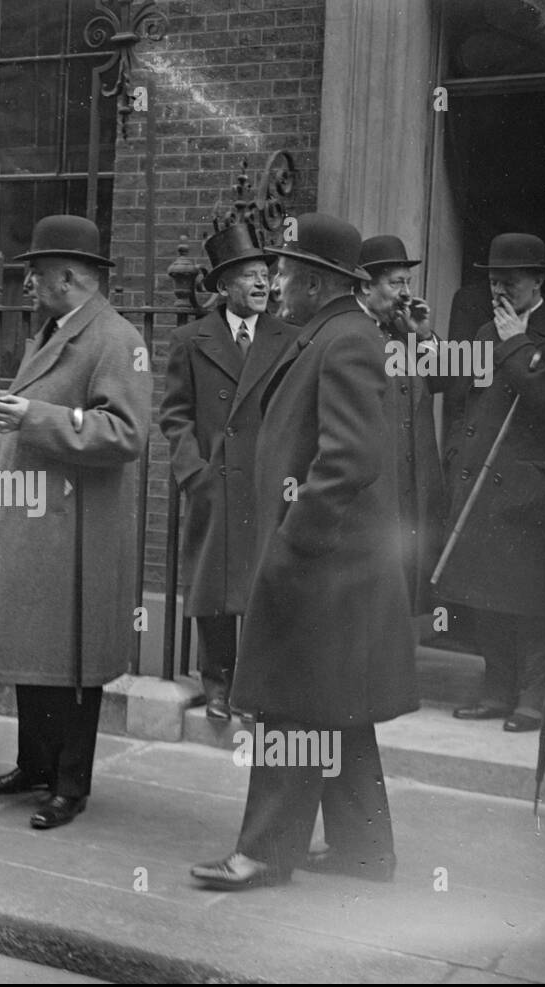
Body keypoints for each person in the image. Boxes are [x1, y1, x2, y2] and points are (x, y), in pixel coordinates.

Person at [191, 213, 418, 890]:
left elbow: (350, 457)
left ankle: (264, 850)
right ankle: (364, 848)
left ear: (317, 281)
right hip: (339, 571)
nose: (277, 281)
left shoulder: (343, 340)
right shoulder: (336, 332)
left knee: (291, 708)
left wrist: (296, 542)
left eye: (286, 270)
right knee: (337, 708)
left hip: (324, 568)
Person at [0, 215, 151, 829]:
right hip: (40, 525)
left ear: (69, 277)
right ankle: (35, 765)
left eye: (37, 274)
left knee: (72, 665)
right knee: (35, 653)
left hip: (75, 534)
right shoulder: (58, 329)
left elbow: (125, 433)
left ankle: (70, 783)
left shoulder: (116, 338)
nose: (29, 284)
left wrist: (34, 417)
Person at [435, 234, 545, 734]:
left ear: (539, 281)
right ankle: (496, 688)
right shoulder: (485, 331)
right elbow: (449, 381)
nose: (500, 287)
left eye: (511, 279)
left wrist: (516, 345)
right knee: (485, 596)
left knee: (529, 600)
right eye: (492, 279)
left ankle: (531, 697)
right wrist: (418, 335)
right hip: (481, 489)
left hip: (532, 493)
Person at [159, 224, 297, 719]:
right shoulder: (191, 340)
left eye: (266, 275)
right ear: (222, 287)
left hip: (266, 483)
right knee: (213, 585)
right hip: (213, 482)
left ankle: (254, 688)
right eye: (248, 276)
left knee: (265, 586)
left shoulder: (290, 339)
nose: (262, 285)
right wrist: (192, 472)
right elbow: (174, 416)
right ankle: (216, 683)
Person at [356, 235, 446, 613]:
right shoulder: (350, 332)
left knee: (400, 596)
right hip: (372, 488)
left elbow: (446, 381)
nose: (407, 293)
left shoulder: (404, 331)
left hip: (410, 489)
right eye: (396, 283)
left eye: (407, 282)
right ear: (365, 285)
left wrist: (424, 336)